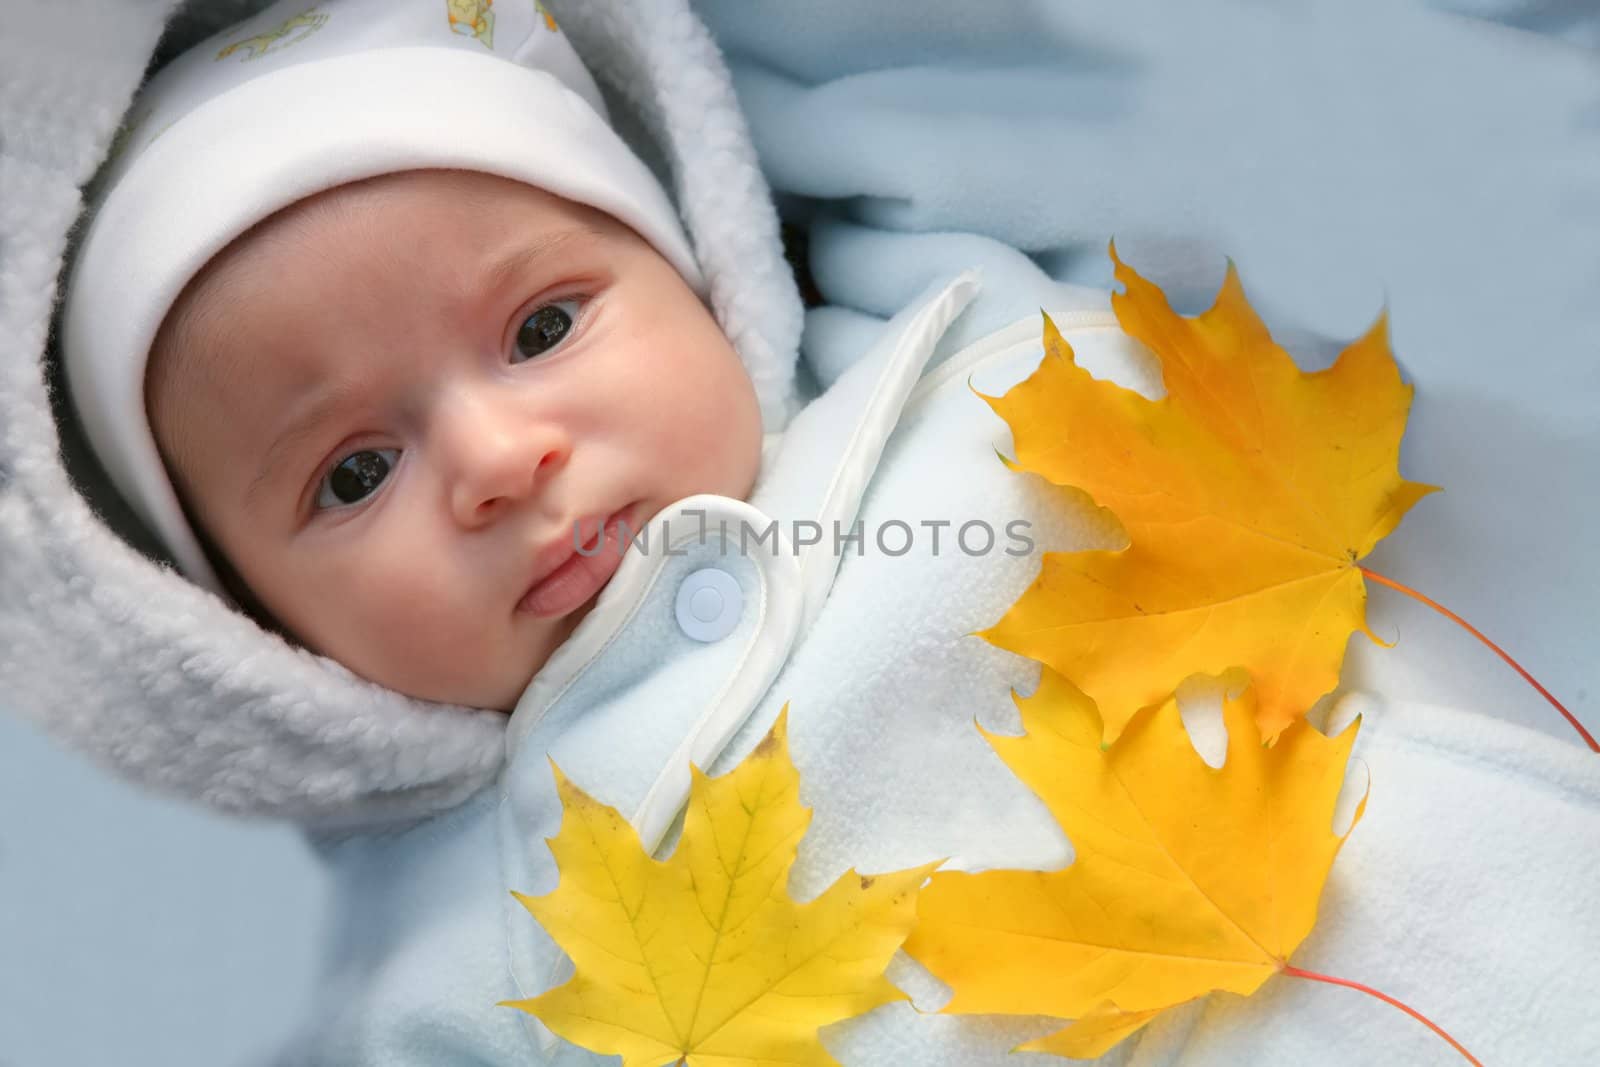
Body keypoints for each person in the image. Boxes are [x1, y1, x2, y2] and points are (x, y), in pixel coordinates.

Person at [27, 0, 1600, 1063]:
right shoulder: (458, 946)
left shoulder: (968, 353)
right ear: (253, 632)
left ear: (701, 268)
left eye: (545, 325)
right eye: (351, 476)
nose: (500, 461)